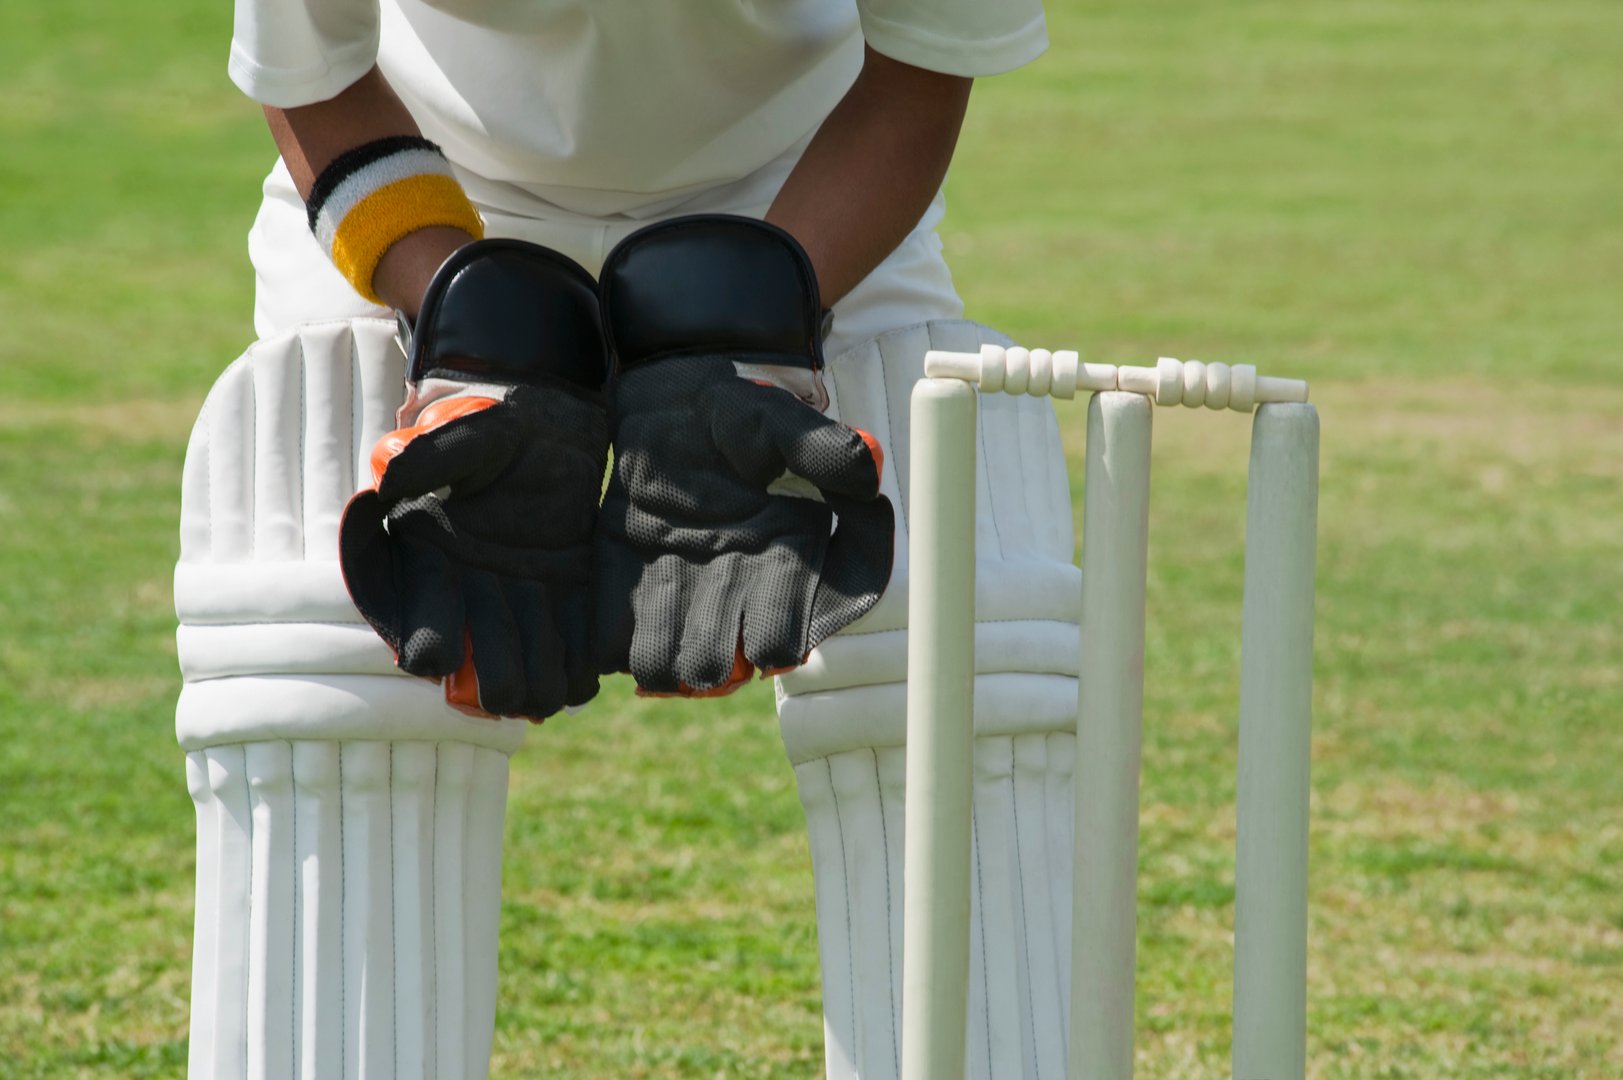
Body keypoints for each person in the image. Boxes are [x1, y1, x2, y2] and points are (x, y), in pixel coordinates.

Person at [176, 1, 1083, 1076]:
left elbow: (918, 82)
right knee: (342, 665)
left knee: (941, 635)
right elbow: (311, 72)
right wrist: (469, 317)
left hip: (807, 194)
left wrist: (747, 313)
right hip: (421, 193)